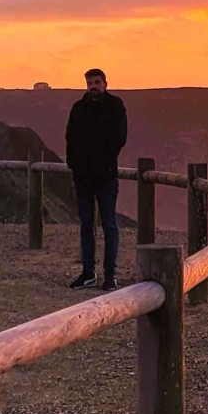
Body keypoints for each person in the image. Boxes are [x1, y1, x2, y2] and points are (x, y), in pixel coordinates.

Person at [65, 68, 128, 290]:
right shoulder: (78, 108)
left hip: (106, 177)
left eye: (97, 82)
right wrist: (74, 165)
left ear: (105, 83)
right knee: (86, 225)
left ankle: (110, 274)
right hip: (82, 178)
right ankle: (88, 273)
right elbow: (70, 138)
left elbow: (120, 138)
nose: (93, 86)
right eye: (90, 83)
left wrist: (105, 162)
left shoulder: (115, 106)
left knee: (109, 224)